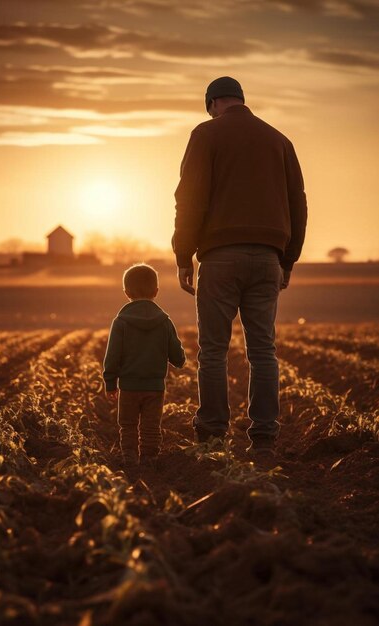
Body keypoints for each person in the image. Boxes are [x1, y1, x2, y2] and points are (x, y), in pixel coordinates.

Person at [172, 76, 307, 460]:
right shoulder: (280, 140)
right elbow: (298, 204)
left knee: (213, 350)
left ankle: (213, 434)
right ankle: (264, 436)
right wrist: (288, 259)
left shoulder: (205, 134)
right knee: (263, 350)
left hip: (219, 258)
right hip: (267, 258)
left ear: (212, 103)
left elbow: (190, 196)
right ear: (241, 101)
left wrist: (184, 255)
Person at [103, 263, 186, 471]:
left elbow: (112, 356)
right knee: (151, 426)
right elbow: (176, 354)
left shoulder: (121, 322)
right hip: (155, 387)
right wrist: (180, 360)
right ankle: (150, 459)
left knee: (128, 425)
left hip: (128, 387)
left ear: (126, 292)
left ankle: (130, 457)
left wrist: (110, 382)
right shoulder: (165, 322)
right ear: (156, 292)